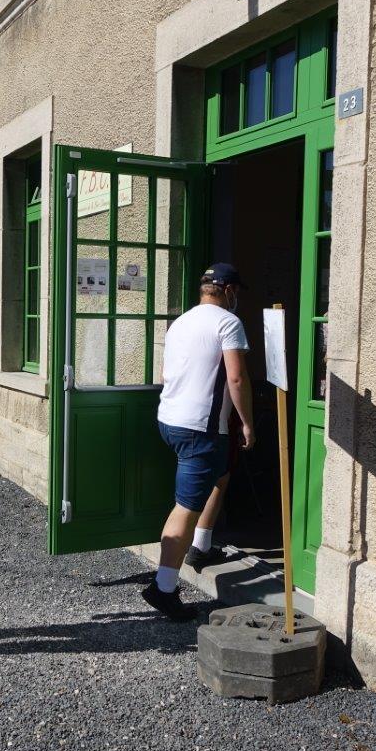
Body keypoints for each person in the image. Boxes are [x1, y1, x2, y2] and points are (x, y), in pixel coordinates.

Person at [143, 263, 255, 620]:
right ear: (227, 290)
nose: (238, 297)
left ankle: (201, 545)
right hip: (200, 428)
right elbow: (236, 379)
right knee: (185, 506)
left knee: (220, 473)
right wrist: (249, 423)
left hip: (171, 419)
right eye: (237, 290)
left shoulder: (181, 322)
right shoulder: (227, 323)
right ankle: (163, 589)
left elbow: (166, 373)